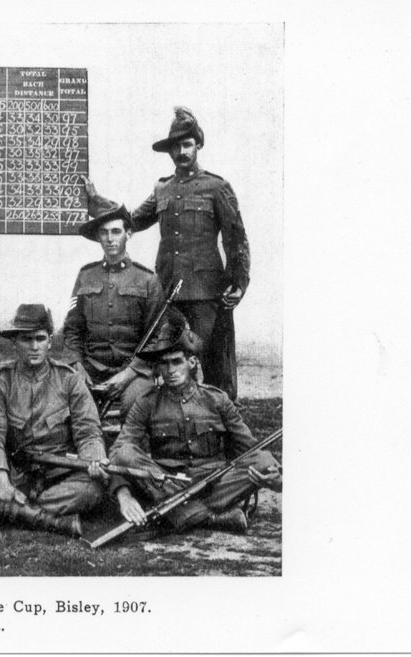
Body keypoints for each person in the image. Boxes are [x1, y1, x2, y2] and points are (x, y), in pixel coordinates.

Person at [82, 106, 250, 399]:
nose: (181, 152)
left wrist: (239, 282)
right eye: (175, 147)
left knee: (212, 361)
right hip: (168, 290)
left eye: (186, 145)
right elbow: (132, 219)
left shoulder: (216, 187)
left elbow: (236, 238)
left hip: (206, 293)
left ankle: (224, 421)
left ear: (197, 144)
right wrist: (97, 201)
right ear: (169, 152)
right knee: (174, 360)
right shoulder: (163, 189)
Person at [108, 309, 281, 534]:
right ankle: (212, 518)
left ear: (191, 362)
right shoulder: (147, 402)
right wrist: (124, 493)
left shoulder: (217, 400)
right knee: (126, 454)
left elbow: (249, 448)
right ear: (158, 367)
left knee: (262, 459)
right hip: (167, 485)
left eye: (176, 362)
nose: (170, 370)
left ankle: (178, 515)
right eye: (164, 363)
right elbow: (120, 450)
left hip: (216, 485)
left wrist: (276, 476)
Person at [0, 304, 107, 538]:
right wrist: (0, 479)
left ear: (50, 341)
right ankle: (50, 520)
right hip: (15, 473)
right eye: (26, 339)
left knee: (92, 488)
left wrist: (94, 459)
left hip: (61, 474)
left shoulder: (70, 380)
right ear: (14, 343)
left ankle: (6, 510)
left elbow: (88, 430)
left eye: (40, 339)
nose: (34, 346)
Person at [62, 198, 163, 418]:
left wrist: (128, 374)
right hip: (90, 369)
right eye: (104, 232)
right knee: (65, 406)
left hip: (133, 372)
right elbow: (72, 329)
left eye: (116, 231)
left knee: (134, 405)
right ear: (98, 237)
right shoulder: (86, 275)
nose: (110, 239)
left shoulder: (147, 280)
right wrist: (76, 365)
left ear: (128, 234)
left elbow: (156, 338)